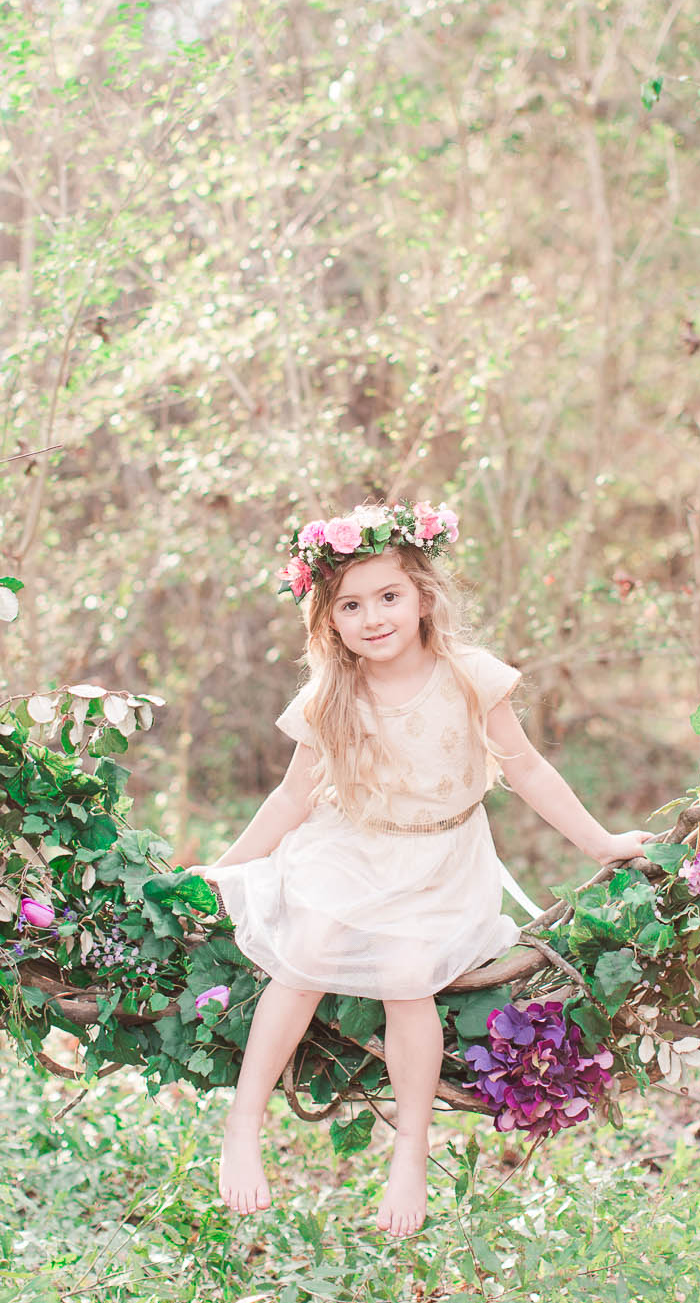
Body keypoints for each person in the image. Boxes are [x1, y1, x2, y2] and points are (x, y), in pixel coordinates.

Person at [201, 500, 648, 1238]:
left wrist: (600, 843)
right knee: (305, 953)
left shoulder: (468, 677)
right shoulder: (328, 698)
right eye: (350, 604)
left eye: (388, 596)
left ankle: (410, 1149)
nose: (373, 616)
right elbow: (289, 798)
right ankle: (242, 1123)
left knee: (408, 975)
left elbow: (527, 768)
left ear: (421, 599)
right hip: (350, 845)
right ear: (329, 619)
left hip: (442, 856)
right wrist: (220, 870)